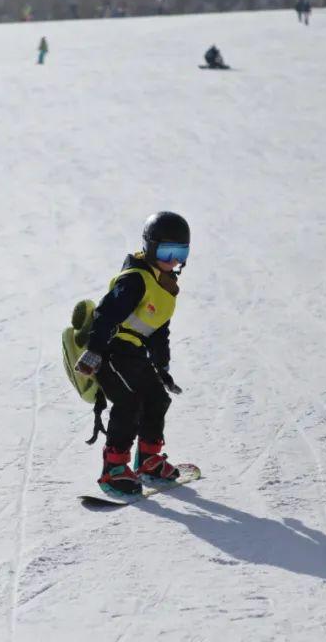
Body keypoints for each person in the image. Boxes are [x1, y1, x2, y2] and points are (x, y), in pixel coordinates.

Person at [74, 211, 190, 497]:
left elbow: (159, 333)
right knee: (129, 402)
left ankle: (148, 460)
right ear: (150, 247)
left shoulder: (165, 287)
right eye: (166, 252)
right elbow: (106, 314)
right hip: (111, 350)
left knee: (157, 398)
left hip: (134, 352)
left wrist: (162, 368)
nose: (173, 260)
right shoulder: (136, 279)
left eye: (180, 253)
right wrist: (94, 351)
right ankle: (113, 468)